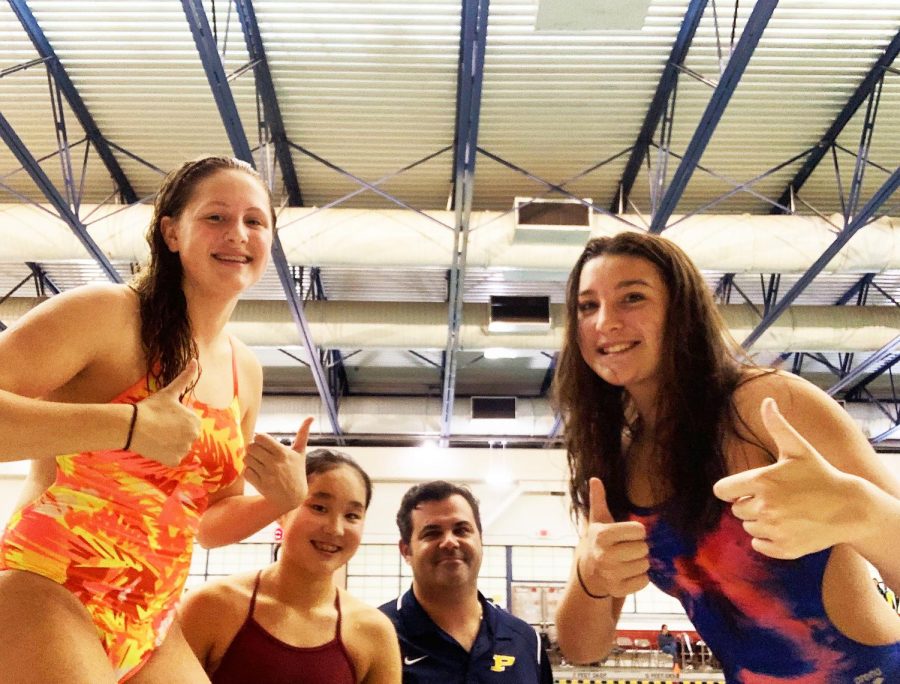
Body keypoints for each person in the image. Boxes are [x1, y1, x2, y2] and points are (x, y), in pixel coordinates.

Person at [0, 156, 310, 683]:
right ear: (171, 232)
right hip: (48, 585)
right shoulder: (107, 315)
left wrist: (280, 502)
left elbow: (209, 521)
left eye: (255, 221)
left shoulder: (244, 370)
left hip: (152, 621)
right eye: (216, 217)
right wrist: (126, 425)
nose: (238, 234)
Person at [552, 232, 900, 682]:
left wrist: (861, 511)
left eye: (632, 297)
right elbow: (582, 649)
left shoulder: (767, 405)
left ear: (682, 311)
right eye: (587, 305)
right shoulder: (614, 465)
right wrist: (590, 579)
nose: (605, 322)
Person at [178, 448, 401, 683]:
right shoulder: (210, 606)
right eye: (319, 508)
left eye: (352, 516)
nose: (335, 528)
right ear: (281, 510)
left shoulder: (374, 632)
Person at [379, 480, 553, 683]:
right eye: (432, 533)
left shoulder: (524, 640)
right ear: (406, 550)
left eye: (461, 530)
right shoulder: (376, 635)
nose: (450, 542)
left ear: (481, 540)